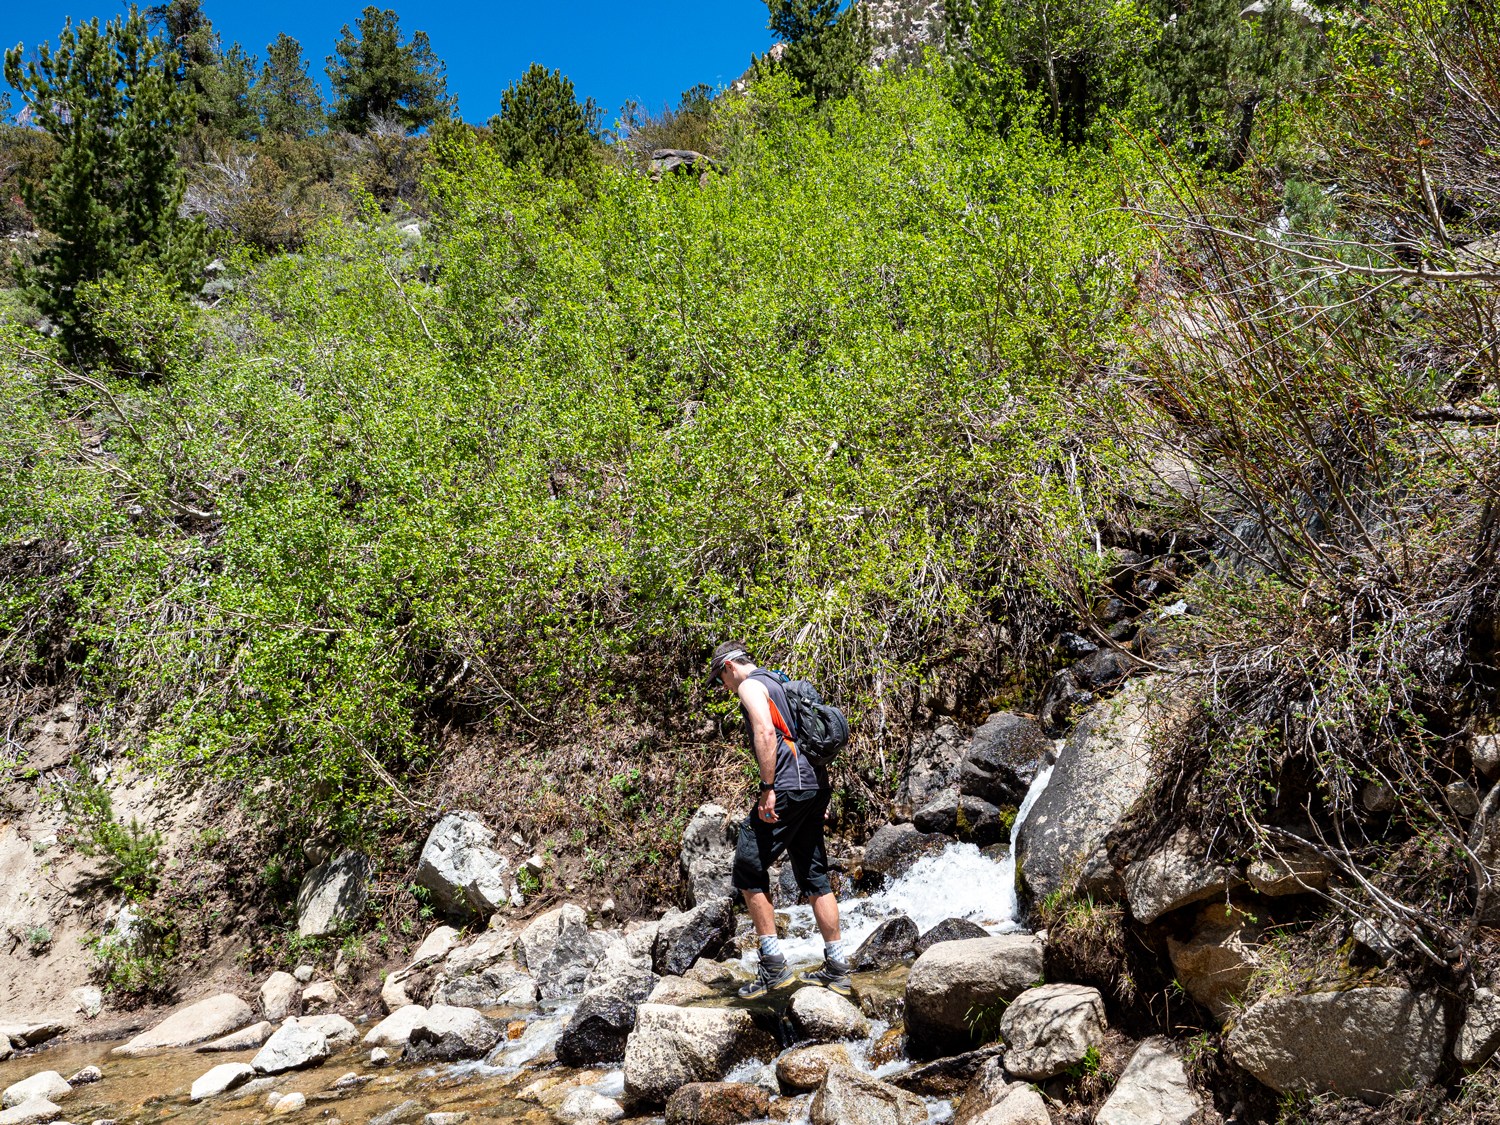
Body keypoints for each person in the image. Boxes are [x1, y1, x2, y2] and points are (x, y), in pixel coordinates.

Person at [708, 640, 852, 998]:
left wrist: (768, 786)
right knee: (814, 873)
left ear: (729, 667)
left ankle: (773, 966)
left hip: (788, 786)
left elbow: (765, 732)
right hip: (815, 785)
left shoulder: (749, 685)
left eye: (720, 679)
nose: (724, 687)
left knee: (747, 866)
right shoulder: (778, 679)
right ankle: (837, 967)